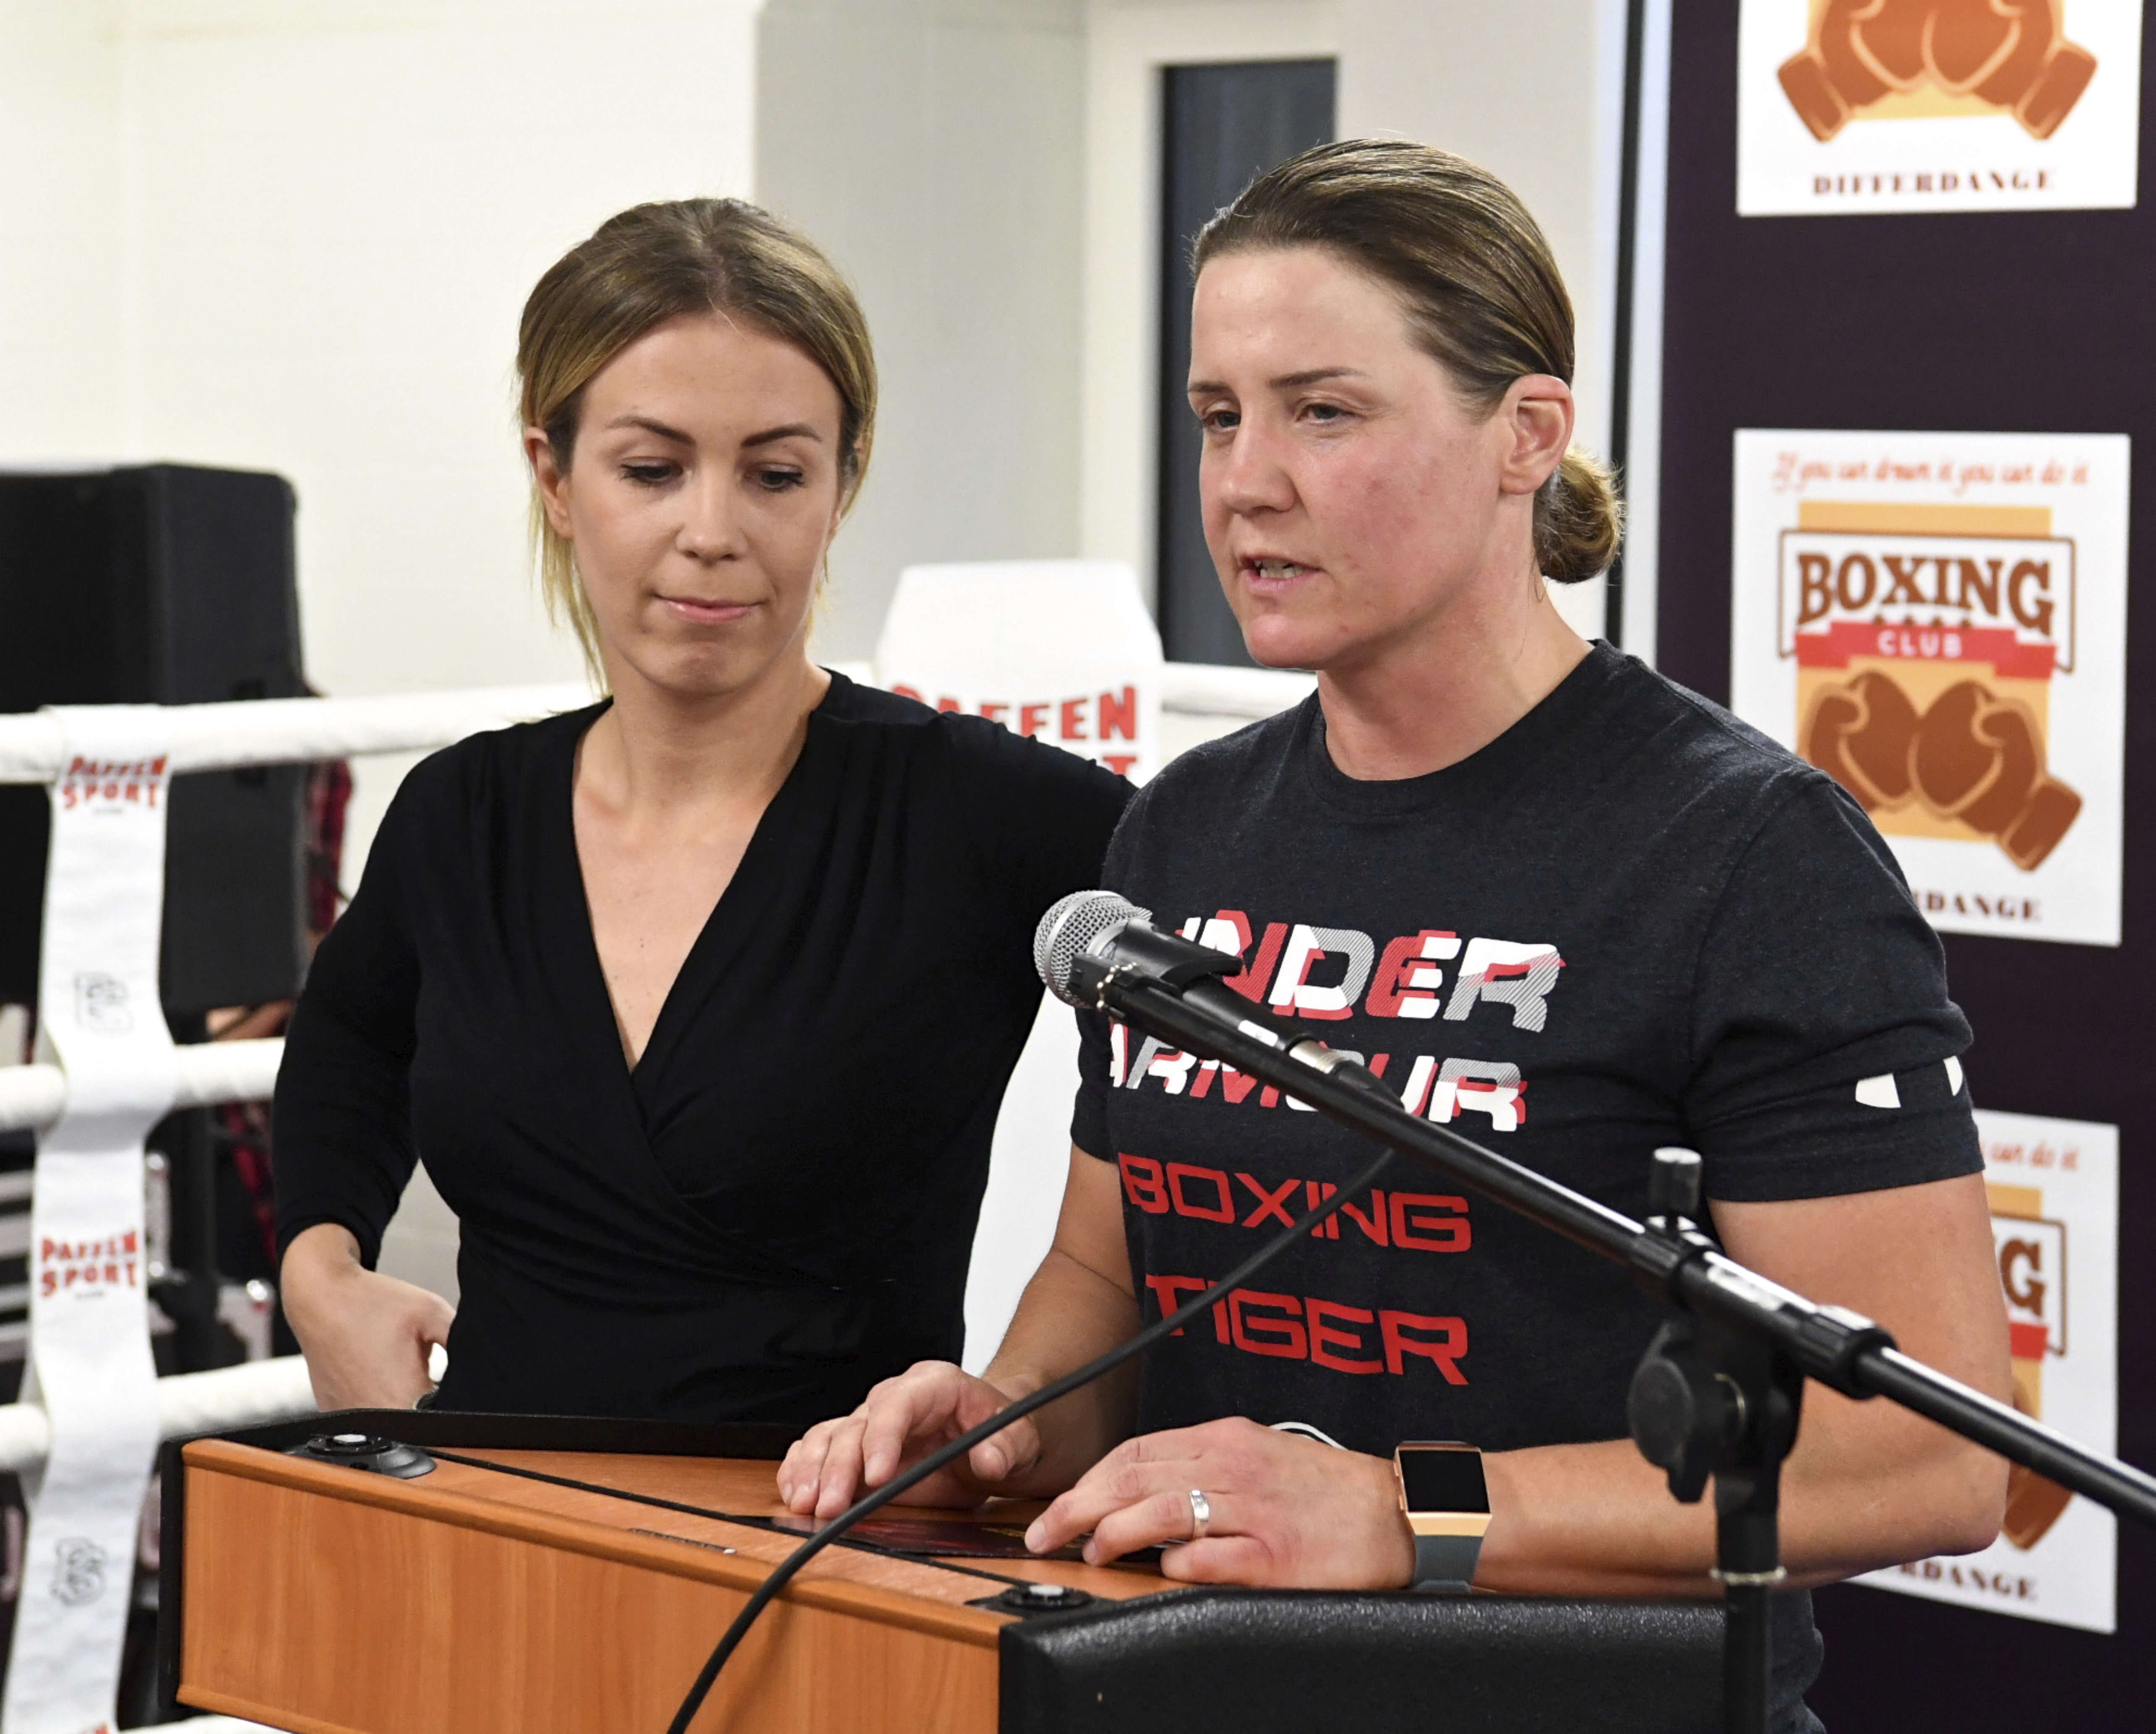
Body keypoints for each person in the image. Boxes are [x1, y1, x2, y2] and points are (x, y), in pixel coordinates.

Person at [778, 142, 2010, 1729]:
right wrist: (1003, 1422)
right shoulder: (1188, 825)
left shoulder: (1744, 853)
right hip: (1203, 1686)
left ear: (1527, 436)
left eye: (1324, 410)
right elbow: (1113, 1264)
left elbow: (1930, 1457)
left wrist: (1407, 1512)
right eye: (1219, 416)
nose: (1244, 481)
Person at [271, 198, 1130, 1424]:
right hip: (488, 1535)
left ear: (842, 484)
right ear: (555, 478)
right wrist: (321, 1276)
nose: (712, 532)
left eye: (775, 473)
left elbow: (1235, 1043)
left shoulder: (988, 816)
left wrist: (1032, 1395)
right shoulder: (464, 815)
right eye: (651, 469)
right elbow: (351, 1048)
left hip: (825, 1559)